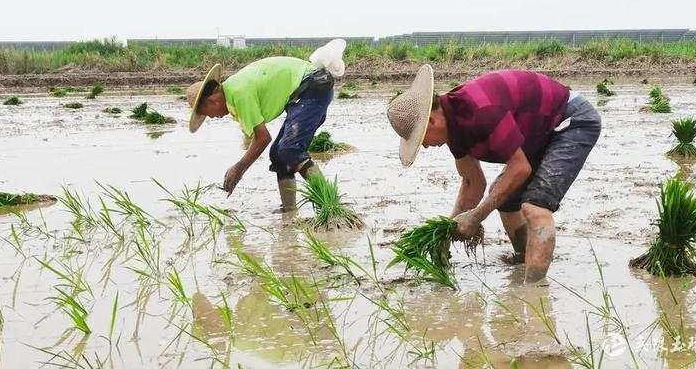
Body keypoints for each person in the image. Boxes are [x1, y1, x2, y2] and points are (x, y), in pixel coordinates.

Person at [386, 65, 601, 283]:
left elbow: (520, 168)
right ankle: (524, 261)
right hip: (538, 133)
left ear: (432, 121)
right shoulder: (453, 126)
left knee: (535, 206)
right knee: (506, 201)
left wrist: (477, 216)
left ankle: (534, 291)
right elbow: (472, 182)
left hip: (570, 121)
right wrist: (448, 231)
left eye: (421, 138)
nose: (423, 146)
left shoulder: (479, 111)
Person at [186, 39, 347, 212]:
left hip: (313, 86)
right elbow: (259, 137)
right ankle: (289, 211)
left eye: (206, 113)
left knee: (290, 149)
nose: (211, 117)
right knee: (278, 154)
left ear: (212, 100)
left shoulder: (238, 93)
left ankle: (331, 206)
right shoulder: (234, 92)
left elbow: (262, 138)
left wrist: (239, 168)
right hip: (308, 89)